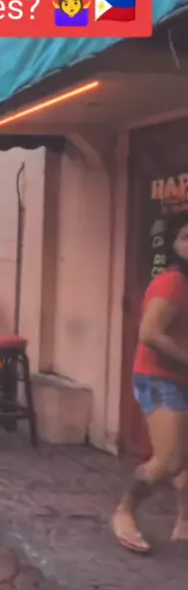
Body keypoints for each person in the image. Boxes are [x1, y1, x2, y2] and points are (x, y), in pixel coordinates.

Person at [112, 213, 188, 553]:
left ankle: (184, 523)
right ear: (173, 245)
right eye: (186, 236)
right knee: (168, 460)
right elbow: (150, 333)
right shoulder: (172, 282)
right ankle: (124, 511)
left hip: (180, 378)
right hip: (160, 379)